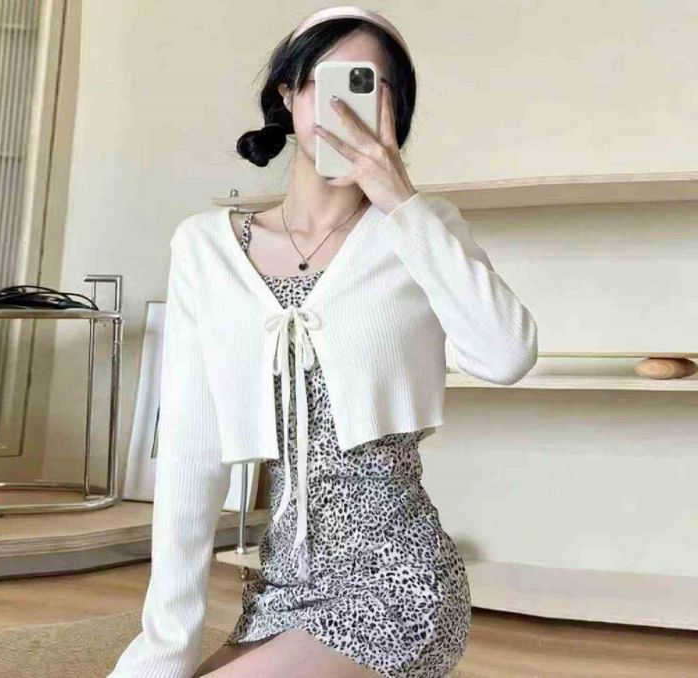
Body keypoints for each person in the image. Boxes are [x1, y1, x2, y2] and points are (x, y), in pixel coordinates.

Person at [108, 5, 538, 678]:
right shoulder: (205, 247)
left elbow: (506, 354)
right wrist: (164, 650)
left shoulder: (418, 230)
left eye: (366, 83)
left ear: (394, 107)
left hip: (398, 583)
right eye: (323, 80)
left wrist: (399, 197)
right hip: (280, 589)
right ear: (288, 93)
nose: (339, 104)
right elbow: (191, 455)